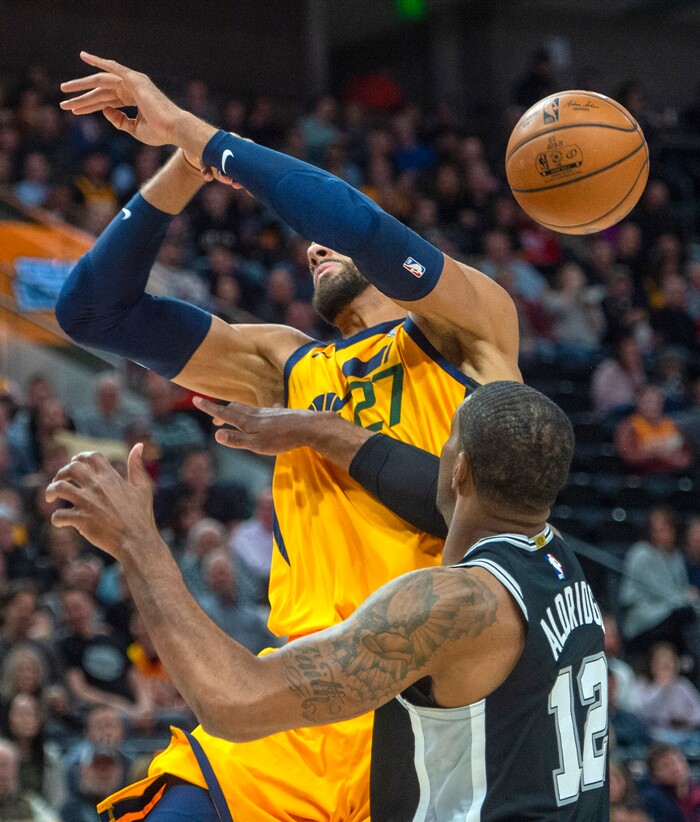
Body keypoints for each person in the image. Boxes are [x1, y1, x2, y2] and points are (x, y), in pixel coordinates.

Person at [57, 53, 520, 820]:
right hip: (298, 698)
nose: (311, 247)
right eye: (308, 248)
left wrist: (195, 130)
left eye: (323, 241)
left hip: (427, 701)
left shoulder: (474, 329)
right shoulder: (284, 359)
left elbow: (353, 221)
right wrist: (181, 170)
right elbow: (91, 315)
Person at [47, 381, 608, 820]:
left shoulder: (455, 606)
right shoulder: (560, 563)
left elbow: (235, 703)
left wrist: (136, 542)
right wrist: (317, 430)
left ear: (457, 467)